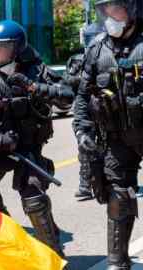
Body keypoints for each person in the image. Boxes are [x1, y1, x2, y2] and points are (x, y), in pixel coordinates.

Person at [0, 20, 74, 256]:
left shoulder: (36, 70)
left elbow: (67, 96)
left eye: (0, 47)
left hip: (28, 148)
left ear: (17, 47)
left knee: (34, 198)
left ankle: (53, 255)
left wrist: (34, 87)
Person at [73, 0, 142, 268]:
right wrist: (82, 129)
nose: (111, 16)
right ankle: (117, 261)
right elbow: (82, 95)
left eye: (117, 9)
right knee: (117, 195)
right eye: (106, 11)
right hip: (116, 137)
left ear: (134, 9)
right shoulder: (97, 48)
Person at [66, 23, 105, 200]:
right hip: (84, 111)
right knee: (85, 148)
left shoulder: (105, 56)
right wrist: (80, 79)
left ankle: (107, 182)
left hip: (104, 110)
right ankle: (84, 186)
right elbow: (67, 81)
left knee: (108, 149)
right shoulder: (77, 60)